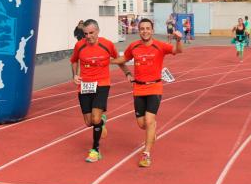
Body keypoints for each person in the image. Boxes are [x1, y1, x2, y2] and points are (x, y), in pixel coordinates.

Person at [111, 19, 183, 168]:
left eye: (147, 28)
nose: (145, 31)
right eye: (142, 28)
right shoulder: (134, 46)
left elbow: (178, 51)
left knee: (149, 121)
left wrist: (179, 40)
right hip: (138, 88)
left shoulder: (160, 46)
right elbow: (123, 59)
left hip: (155, 87)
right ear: (139, 30)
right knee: (142, 124)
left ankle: (146, 154)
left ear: (152, 30)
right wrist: (107, 60)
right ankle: (152, 129)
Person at [70, 19, 131, 163]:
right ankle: (101, 121)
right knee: (88, 122)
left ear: (98, 31)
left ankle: (95, 150)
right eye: (86, 34)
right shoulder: (79, 45)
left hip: (102, 84)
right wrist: (75, 76)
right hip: (85, 85)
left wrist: (128, 73)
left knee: (95, 119)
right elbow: (74, 60)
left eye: (91, 33)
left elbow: (118, 59)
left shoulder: (107, 44)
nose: (89, 36)